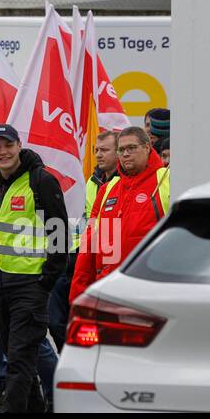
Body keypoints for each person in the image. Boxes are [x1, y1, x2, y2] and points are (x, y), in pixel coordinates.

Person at [0, 123, 68, 413]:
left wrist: (45, 282)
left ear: (18, 145)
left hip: (30, 285)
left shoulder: (41, 180)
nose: (3, 152)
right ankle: (37, 408)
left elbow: (59, 234)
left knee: (18, 358)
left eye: (8, 145)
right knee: (16, 356)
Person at [71, 126, 170, 304]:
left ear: (147, 147)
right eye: (121, 150)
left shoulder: (166, 179)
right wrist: (78, 294)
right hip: (109, 290)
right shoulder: (108, 189)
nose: (125, 154)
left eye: (131, 148)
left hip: (151, 291)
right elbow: (89, 245)